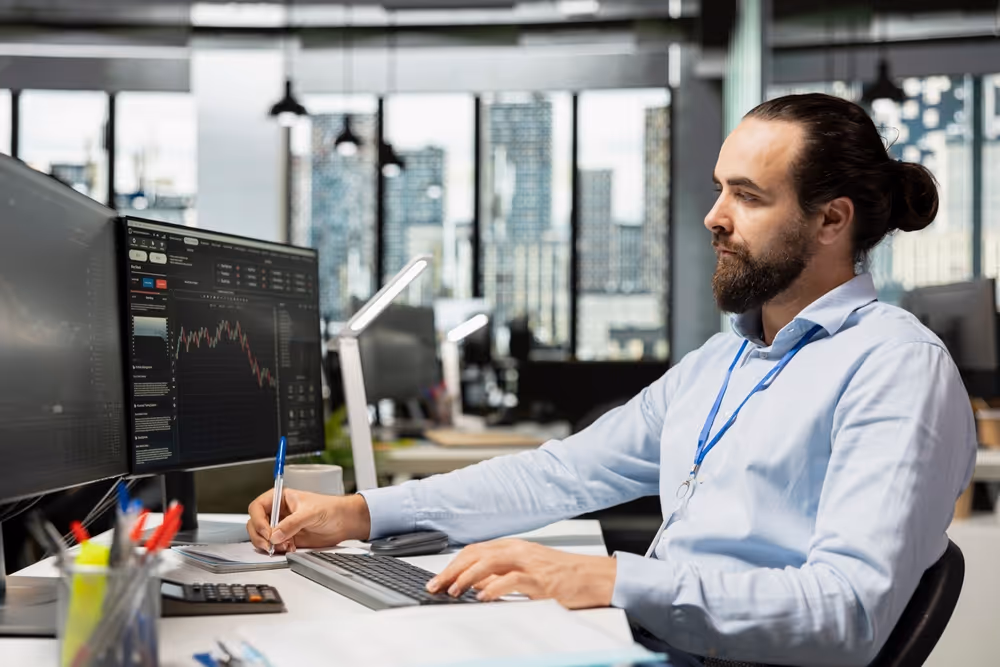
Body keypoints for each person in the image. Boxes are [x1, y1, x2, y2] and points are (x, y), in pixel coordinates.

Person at [247, 94, 976, 666]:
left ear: (831, 221)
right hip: (650, 641)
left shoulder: (893, 368)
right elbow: (557, 475)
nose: (713, 217)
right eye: (720, 189)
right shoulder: (723, 362)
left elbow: (846, 613)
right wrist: (359, 513)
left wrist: (609, 579)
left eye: (748, 196)